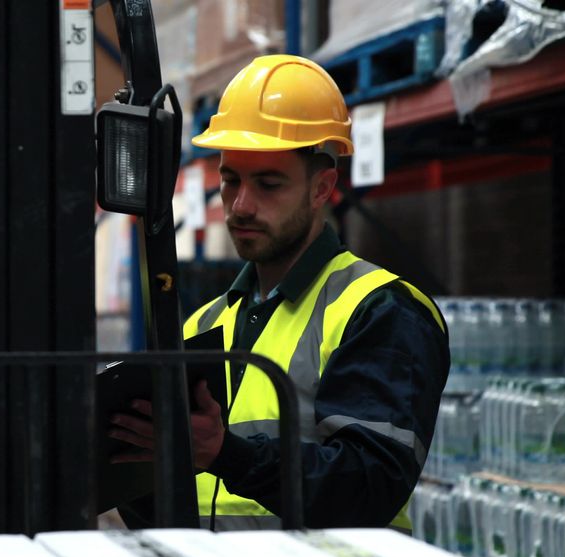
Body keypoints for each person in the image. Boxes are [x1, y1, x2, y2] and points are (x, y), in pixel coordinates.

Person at [108, 55, 449, 530]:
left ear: (321, 188)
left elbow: (369, 488)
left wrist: (227, 454)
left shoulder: (380, 311)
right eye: (230, 181)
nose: (241, 206)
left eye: (268, 184)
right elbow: (176, 498)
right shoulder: (202, 325)